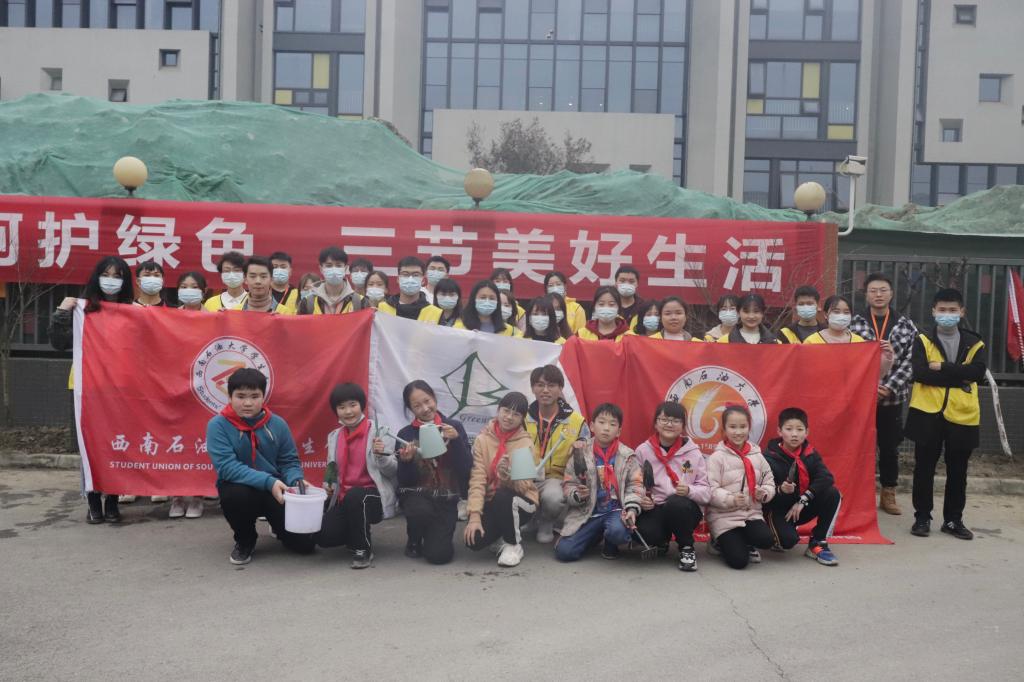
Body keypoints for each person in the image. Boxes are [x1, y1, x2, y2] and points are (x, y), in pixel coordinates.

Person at [51, 256, 134, 524]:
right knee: (90, 446)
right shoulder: (82, 309)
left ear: (125, 281)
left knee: (118, 443)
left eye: (117, 276)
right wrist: (62, 313)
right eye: (106, 274)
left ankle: (112, 500)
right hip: (87, 387)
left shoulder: (132, 312)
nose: (111, 280)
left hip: (121, 389)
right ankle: (92, 500)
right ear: (96, 277)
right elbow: (59, 343)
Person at [206, 368, 316, 565]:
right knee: (234, 495)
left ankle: (279, 527)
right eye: (240, 396)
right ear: (229, 397)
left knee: (305, 546)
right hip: (241, 486)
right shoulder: (217, 425)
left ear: (263, 397)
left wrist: (296, 480)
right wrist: (269, 482)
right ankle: (245, 540)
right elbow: (227, 467)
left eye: (254, 396)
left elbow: (289, 461)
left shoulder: (278, 424)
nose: (248, 403)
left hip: (275, 489)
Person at [905, 288, 986, 541]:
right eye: (942, 310)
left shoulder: (974, 342)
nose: (947, 314)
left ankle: (953, 520)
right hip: (927, 412)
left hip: (963, 414)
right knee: (924, 468)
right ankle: (922, 517)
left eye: (952, 310)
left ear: (962, 312)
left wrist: (942, 367)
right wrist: (959, 377)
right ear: (933, 311)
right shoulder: (922, 339)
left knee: (958, 471)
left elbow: (977, 373)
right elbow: (919, 373)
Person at [849, 273, 918, 516]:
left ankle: (888, 493)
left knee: (889, 447)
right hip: (861, 400)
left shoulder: (906, 325)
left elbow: (911, 361)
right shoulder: (854, 323)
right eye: (873, 291)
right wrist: (867, 388)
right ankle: (859, 494)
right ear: (866, 295)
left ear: (891, 293)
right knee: (858, 447)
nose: (878, 295)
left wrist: (889, 387)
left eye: (883, 290)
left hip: (892, 399)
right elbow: (847, 361)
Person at [320, 383, 398, 568]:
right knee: (323, 537)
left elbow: (393, 471)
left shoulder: (380, 432)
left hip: (373, 497)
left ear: (361, 405)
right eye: (341, 407)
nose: (348, 411)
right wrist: (328, 484)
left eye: (353, 405)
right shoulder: (334, 436)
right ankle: (355, 533)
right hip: (344, 498)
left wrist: (381, 456)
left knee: (356, 496)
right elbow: (331, 468)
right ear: (336, 411)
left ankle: (363, 548)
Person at [394, 380, 471, 564]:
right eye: (417, 405)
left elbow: (466, 468)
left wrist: (457, 441)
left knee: (439, 555)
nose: (425, 408)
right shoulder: (405, 434)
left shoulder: (453, 427)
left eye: (427, 401)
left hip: (446, 497)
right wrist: (406, 462)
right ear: (410, 409)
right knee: (419, 510)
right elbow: (405, 481)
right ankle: (414, 538)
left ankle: (432, 535)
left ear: (434, 398)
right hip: (417, 495)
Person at [554, 403, 643, 562]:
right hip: (587, 512)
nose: (606, 428)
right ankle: (595, 535)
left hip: (616, 511)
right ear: (592, 426)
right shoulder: (580, 452)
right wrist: (577, 495)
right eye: (601, 422)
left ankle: (611, 541)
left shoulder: (627, 455)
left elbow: (635, 485)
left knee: (618, 532)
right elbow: (569, 483)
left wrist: (631, 509)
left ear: (619, 431)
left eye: (612, 424)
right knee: (565, 553)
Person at [633, 401, 710, 571]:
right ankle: (662, 540)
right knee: (643, 532)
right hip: (656, 506)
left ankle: (686, 547)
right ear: (655, 423)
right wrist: (642, 499)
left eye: (675, 421)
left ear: (683, 426)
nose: (669, 424)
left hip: (684, 508)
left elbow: (706, 492)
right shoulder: (643, 451)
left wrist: (689, 490)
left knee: (676, 503)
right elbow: (634, 483)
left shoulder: (693, 452)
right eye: (664, 419)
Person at [464, 392, 537, 567]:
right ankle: (502, 537)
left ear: (522, 419)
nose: (509, 417)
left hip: (523, 502)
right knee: (474, 541)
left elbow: (524, 486)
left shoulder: (525, 443)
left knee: (503, 495)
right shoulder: (482, 440)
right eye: (506, 411)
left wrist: (507, 476)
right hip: (492, 500)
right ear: (498, 410)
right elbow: (477, 479)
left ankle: (513, 544)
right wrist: (474, 516)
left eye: (516, 414)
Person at [763, 407, 841, 566]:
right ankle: (776, 533)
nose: (794, 434)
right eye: (789, 429)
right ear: (779, 431)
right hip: (778, 509)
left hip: (800, 507)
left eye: (799, 429)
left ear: (807, 432)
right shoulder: (768, 457)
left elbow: (826, 477)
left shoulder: (810, 453)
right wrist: (781, 490)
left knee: (832, 493)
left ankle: (818, 542)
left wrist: (804, 499)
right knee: (787, 542)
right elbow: (763, 495)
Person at [705, 405, 776, 569]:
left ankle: (745, 541)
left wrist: (764, 493)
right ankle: (717, 542)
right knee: (738, 562)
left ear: (749, 428)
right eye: (732, 427)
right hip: (724, 517)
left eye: (743, 426)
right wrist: (731, 499)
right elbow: (710, 490)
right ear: (724, 429)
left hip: (751, 514)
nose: (738, 432)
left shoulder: (757, 455)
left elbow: (769, 482)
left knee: (766, 540)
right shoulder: (717, 457)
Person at [525, 365, 589, 543]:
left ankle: (547, 521)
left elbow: (588, 450)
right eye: (540, 385)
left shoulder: (576, 421)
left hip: (556, 479)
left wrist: (581, 446)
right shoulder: (522, 416)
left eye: (551, 385)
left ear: (560, 388)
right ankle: (530, 519)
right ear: (532, 388)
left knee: (552, 497)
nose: (545, 390)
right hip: (525, 476)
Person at [167, 270, 210, 517]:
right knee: (176, 442)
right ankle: (176, 497)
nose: (188, 290)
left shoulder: (214, 317)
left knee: (199, 442)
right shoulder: (169, 318)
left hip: (203, 389)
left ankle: (196, 497)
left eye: (194, 286)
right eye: (184, 286)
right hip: (175, 387)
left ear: (204, 291)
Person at [805, 295, 895, 376]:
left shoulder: (859, 342)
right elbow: (804, 372)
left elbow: (871, 373)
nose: (841, 315)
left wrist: (887, 356)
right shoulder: (812, 341)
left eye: (846, 312)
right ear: (825, 315)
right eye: (836, 311)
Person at [298, 246, 368, 314]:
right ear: (321, 269)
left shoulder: (360, 302)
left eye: (338, 265)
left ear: (345, 269)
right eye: (329, 265)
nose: (334, 269)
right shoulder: (307, 302)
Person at [380, 256, 442, 322]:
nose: (410, 279)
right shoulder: (381, 308)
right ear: (398, 279)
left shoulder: (435, 313)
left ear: (423, 280)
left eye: (415, 275)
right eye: (405, 274)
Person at [454, 281, 521, 336]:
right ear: (473, 299)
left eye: (492, 298)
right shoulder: (458, 328)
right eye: (483, 297)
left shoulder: (511, 332)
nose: (487, 301)